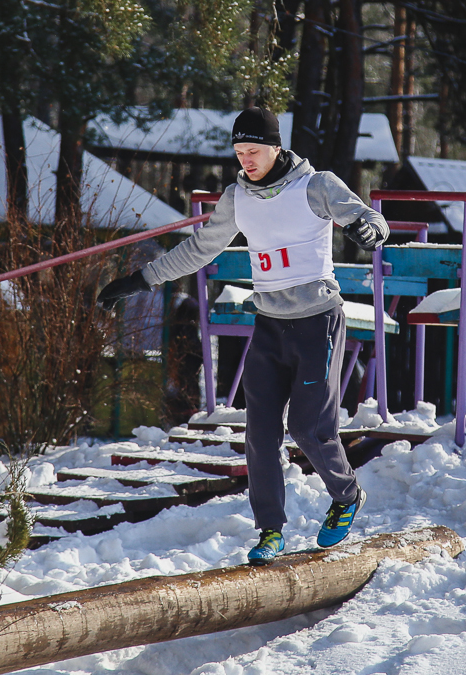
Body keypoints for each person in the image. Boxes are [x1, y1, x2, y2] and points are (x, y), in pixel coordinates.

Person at [97, 107, 389, 565]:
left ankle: (347, 495)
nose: (246, 160)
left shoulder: (316, 185)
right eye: (238, 152)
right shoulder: (237, 197)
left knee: (310, 428)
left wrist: (368, 229)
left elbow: (371, 220)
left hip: (317, 322)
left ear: (276, 147)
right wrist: (141, 280)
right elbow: (200, 248)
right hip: (270, 325)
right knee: (259, 432)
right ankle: (271, 530)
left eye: (253, 150)